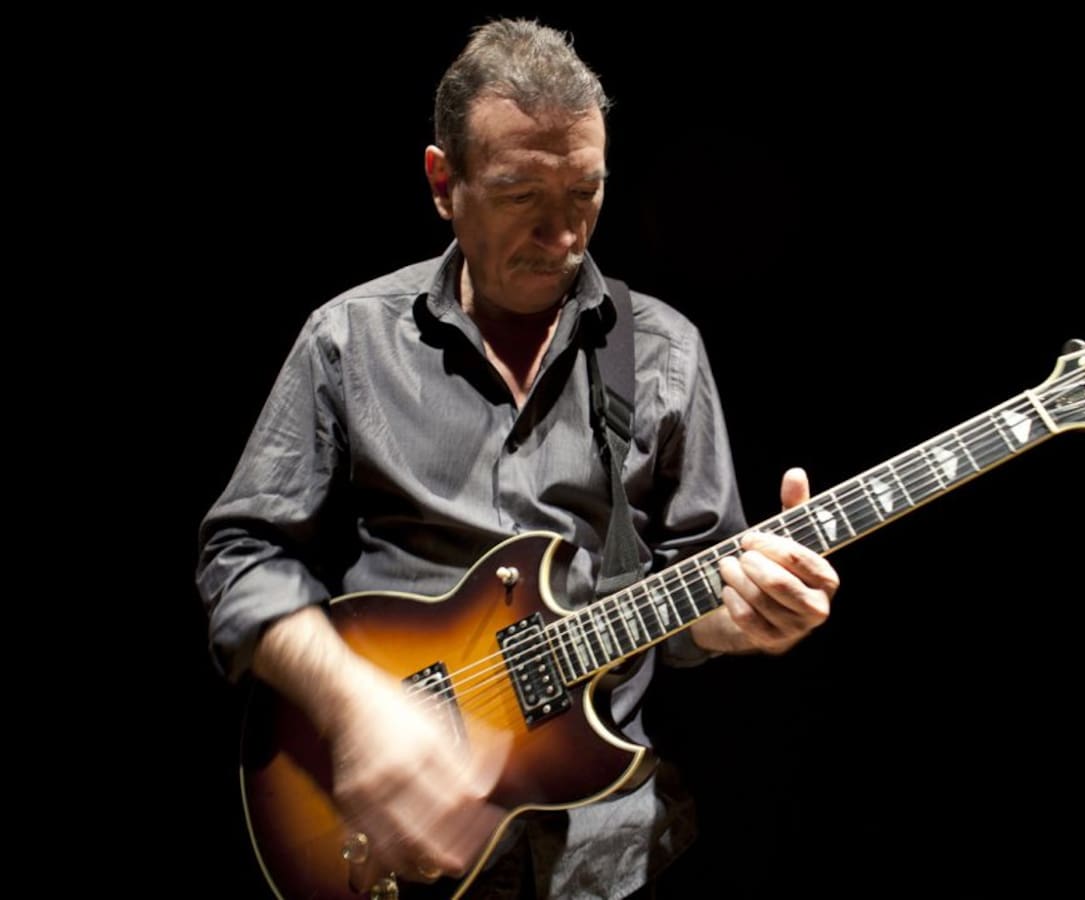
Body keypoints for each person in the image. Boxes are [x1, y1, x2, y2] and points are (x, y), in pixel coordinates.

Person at [197, 18, 838, 900]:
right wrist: (354, 705)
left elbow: (698, 604)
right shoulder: (348, 339)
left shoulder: (665, 353)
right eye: (520, 194)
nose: (564, 235)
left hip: (604, 851)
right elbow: (240, 556)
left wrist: (747, 618)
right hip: (380, 831)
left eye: (585, 193)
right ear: (443, 184)